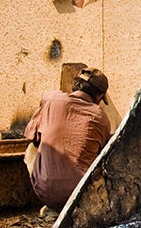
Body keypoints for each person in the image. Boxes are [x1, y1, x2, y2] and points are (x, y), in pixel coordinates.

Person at [25, 67, 112, 217]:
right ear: (99, 96)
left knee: (31, 148)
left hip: (46, 192)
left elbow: (30, 134)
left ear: (75, 85)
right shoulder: (101, 117)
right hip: (81, 197)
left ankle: (53, 204)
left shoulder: (51, 99)